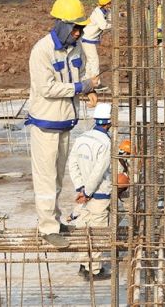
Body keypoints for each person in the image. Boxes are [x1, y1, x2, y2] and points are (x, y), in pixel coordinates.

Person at [26, 0, 100, 248]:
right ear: (62, 25)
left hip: (65, 122)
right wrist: (80, 86)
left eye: (81, 28)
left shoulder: (74, 48)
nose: (79, 33)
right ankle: (47, 228)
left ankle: (54, 221)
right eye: (76, 28)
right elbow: (47, 88)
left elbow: (78, 75)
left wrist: (87, 90)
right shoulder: (42, 51)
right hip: (45, 123)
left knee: (57, 178)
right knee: (45, 179)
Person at [68, 103, 114, 280]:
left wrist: (80, 187)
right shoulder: (105, 143)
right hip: (98, 194)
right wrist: (87, 191)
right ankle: (94, 270)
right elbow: (98, 171)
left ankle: (83, 264)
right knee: (97, 231)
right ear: (109, 123)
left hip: (83, 194)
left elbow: (73, 164)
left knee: (83, 227)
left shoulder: (82, 137)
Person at [81, 0, 112, 92]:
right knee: (94, 61)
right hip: (87, 39)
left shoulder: (105, 11)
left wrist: (119, 15)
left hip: (90, 39)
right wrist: (114, 25)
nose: (110, 5)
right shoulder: (98, 13)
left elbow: (111, 18)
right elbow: (104, 26)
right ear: (105, 4)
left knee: (90, 61)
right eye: (109, 3)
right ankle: (96, 83)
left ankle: (86, 81)